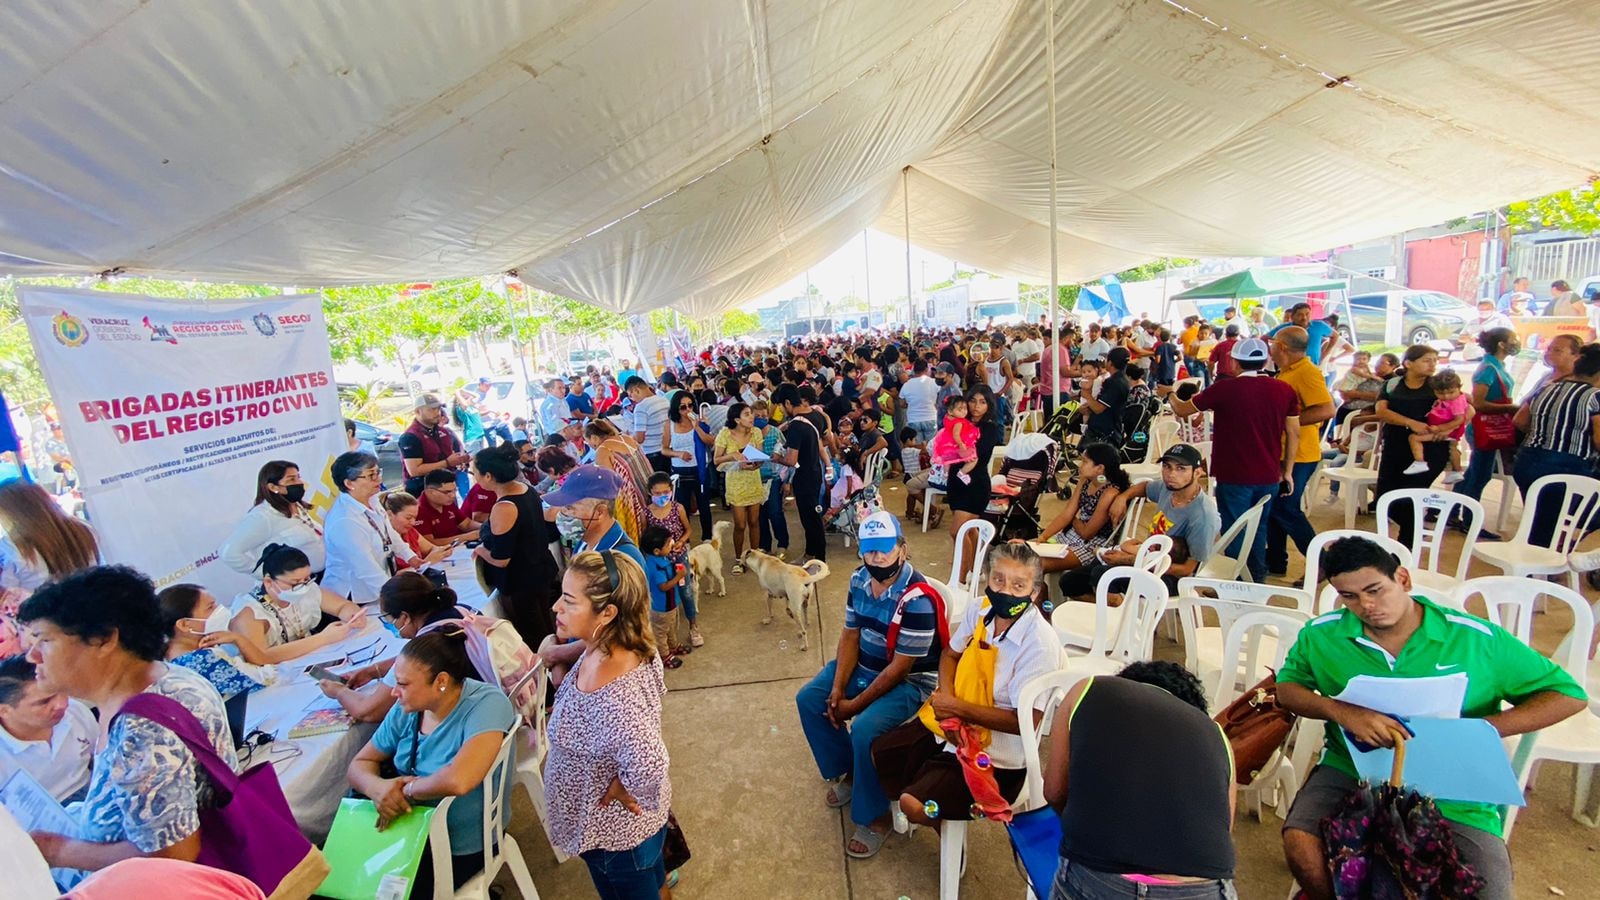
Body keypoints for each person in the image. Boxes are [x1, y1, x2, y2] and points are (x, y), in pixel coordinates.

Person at [1277, 536, 1588, 900]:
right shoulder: (1322, 636)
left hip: (1451, 781)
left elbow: (1569, 695)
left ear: (1403, 579)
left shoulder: (1475, 640)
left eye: (1375, 590)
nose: (1366, 606)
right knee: (1301, 844)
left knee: (1488, 889)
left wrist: (1480, 730)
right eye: (1350, 596)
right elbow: (1287, 689)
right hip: (1354, 769)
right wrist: (1341, 711)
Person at [18, 566, 238, 888]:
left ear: (104, 639)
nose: (33, 656)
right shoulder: (168, 678)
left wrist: (58, 851)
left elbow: (172, 856)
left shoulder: (142, 730)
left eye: (45, 640)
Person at [873, 542, 1059, 835]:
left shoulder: (1038, 644)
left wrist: (956, 708)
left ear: (1034, 593)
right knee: (882, 750)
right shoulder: (980, 609)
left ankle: (943, 831)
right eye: (998, 579)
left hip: (997, 756)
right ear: (987, 578)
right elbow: (950, 654)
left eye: (1018, 585)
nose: (1005, 591)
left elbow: (1024, 722)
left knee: (914, 804)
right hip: (952, 726)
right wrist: (948, 705)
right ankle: (930, 793)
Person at [796, 512, 944, 858]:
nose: (877, 558)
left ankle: (876, 816)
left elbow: (899, 670)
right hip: (867, 663)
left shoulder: (918, 600)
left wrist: (853, 705)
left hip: (910, 682)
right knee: (810, 699)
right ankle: (851, 770)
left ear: (902, 549)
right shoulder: (859, 578)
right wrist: (837, 688)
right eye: (870, 550)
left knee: (864, 727)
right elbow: (851, 634)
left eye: (885, 549)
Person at [1043, 660, 1237, 900]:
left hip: (1102, 878)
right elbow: (1223, 830)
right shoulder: (1219, 737)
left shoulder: (1089, 688)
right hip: (1204, 889)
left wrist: (1088, 829)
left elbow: (1054, 792)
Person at [543, 550, 673, 898]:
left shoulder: (615, 696)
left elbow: (649, 763)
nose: (556, 607)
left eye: (569, 601)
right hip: (629, 834)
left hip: (617, 843)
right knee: (657, 883)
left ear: (607, 613)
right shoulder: (619, 644)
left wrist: (623, 786)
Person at [347, 631, 515, 894]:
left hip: (458, 847)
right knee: (333, 879)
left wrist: (403, 792)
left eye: (403, 684)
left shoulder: (487, 705)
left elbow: (459, 780)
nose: (394, 692)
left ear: (441, 682)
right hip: (410, 831)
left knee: (369, 891)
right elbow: (361, 762)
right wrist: (377, 789)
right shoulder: (408, 709)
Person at [1172, 338, 1299, 582]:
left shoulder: (1224, 389)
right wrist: (1288, 471)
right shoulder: (1284, 389)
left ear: (1234, 362)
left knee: (1234, 530)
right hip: (1269, 474)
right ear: (1265, 361)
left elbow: (1182, 409)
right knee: (1258, 527)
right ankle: (1256, 578)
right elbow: (1294, 432)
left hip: (1234, 473)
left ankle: (1239, 582)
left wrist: (1169, 394)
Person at [320, 571, 470, 723]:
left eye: (387, 619)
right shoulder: (461, 611)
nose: (388, 626)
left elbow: (368, 711)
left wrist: (339, 692)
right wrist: (373, 671)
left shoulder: (426, 647)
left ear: (404, 617)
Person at [469, 444, 560, 649]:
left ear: (488, 476)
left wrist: (481, 550)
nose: (474, 478)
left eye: (475, 473)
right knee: (547, 629)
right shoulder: (525, 489)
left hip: (522, 582)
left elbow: (501, 559)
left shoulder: (504, 507)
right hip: (540, 569)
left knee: (535, 638)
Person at [1511, 340, 1600, 547]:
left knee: (1537, 520)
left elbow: (1520, 421)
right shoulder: (1594, 397)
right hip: (1565, 466)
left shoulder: (1547, 388)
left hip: (1527, 461)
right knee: (1553, 524)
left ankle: (1535, 555)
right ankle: (1542, 561)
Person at [0, 481, 99, 657]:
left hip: (44, 629)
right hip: (90, 617)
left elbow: (9, 594)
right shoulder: (82, 529)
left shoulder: (12, 547)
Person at [1266, 326, 1335, 579]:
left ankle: (1323, 562)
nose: (1271, 348)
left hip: (1301, 454)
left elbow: (1327, 409)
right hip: (1283, 451)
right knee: (1274, 506)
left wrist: (1288, 422)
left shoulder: (1307, 372)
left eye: (1273, 343)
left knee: (1286, 508)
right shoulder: (1287, 371)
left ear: (1282, 347)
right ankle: (1275, 559)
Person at [1372, 345, 1451, 548]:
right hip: (1395, 447)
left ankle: (1406, 549)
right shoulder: (1392, 385)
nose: (1432, 364)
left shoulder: (1439, 385)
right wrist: (1410, 423)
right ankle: (1411, 536)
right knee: (1385, 499)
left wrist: (1447, 429)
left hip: (1428, 451)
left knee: (1411, 499)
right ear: (1408, 363)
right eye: (1426, 360)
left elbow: (1464, 408)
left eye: (1435, 360)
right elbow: (1381, 411)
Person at [231, 544, 364, 662]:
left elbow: (342, 606)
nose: (303, 587)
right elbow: (259, 656)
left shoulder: (307, 588)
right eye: (295, 583)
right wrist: (324, 638)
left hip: (309, 660)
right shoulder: (250, 613)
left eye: (306, 579)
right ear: (269, 582)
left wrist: (353, 616)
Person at [324, 450, 422, 603]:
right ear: (349, 483)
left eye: (378, 472)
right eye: (371, 475)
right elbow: (364, 567)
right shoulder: (344, 520)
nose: (378, 479)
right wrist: (394, 596)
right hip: (354, 595)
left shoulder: (373, 500)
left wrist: (411, 557)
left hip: (379, 586)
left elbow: (389, 534)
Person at [0, 655, 96, 802]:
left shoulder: (75, 712)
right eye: (44, 702)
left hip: (91, 794)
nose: (62, 704)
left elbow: (101, 758)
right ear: (4, 711)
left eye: (61, 691)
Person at [1453, 327, 1520, 533]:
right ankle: (1470, 521)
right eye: (1513, 339)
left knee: (1474, 472)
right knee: (1480, 475)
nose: (1516, 342)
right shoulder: (1488, 369)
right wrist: (1510, 408)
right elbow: (1479, 403)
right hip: (1485, 428)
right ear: (1501, 344)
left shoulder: (1496, 365)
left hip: (1489, 427)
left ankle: (1452, 512)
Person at [156, 584, 276, 697]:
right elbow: (263, 682)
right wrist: (238, 639)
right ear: (185, 624)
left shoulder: (173, 657)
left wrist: (237, 638)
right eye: (210, 607)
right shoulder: (202, 659)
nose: (219, 610)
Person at [218, 460, 324, 576]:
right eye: (291, 479)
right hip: (294, 584)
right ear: (273, 487)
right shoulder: (262, 517)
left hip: (318, 577)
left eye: (298, 477)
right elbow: (228, 553)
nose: (300, 483)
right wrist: (270, 575)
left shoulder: (295, 505)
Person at [1035, 442, 1128, 574]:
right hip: (1072, 535)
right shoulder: (1085, 480)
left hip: (1092, 545)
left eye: (1085, 462)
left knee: (1036, 565)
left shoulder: (1110, 493)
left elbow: (1087, 532)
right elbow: (1066, 515)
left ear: (1099, 468)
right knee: (1026, 555)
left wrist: (1072, 519)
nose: (1080, 465)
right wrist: (1044, 536)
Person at [946, 385, 1003, 584]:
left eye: (982, 402)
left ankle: (960, 581)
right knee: (969, 530)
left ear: (989, 405)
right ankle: (976, 569)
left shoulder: (990, 428)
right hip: (956, 482)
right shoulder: (960, 422)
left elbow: (975, 454)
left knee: (958, 532)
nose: (976, 406)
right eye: (972, 401)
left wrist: (956, 446)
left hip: (975, 485)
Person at [644, 473, 702, 648]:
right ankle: (668, 632)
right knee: (664, 592)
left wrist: (681, 542)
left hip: (678, 558)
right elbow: (644, 538)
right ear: (650, 492)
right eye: (658, 493)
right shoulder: (646, 513)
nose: (663, 496)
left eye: (666, 492)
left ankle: (693, 626)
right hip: (659, 563)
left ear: (671, 490)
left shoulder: (678, 508)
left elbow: (688, 529)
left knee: (685, 591)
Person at [775, 383, 830, 562]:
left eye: (781, 406)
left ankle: (819, 560)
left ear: (788, 403)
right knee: (810, 517)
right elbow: (824, 440)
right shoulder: (816, 415)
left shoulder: (796, 426)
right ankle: (810, 554)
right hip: (815, 471)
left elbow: (791, 460)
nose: (781, 410)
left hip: (804, 476)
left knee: (811, 520)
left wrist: (777, 458)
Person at [714, 402, 769, 571]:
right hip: (735, 484)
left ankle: (755, 556)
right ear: (737, 420)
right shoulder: (725, 434)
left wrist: (755, 464)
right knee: (740, 524)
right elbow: (716, 460)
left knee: (754, 521)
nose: (752, 417)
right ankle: (739, 559)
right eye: (747, 414)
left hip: (753, 481)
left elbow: (760, 458)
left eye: (751, 413)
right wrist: (733, 456)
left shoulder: (756, 432)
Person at [663, 390, 715, 540]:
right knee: (682, 508)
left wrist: (697, 426)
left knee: (704, 505)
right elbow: (664, 449)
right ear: (676, 408)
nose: (688, 410)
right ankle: (684, 540)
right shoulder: (670, 425)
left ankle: (707, 538)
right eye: (683, 407)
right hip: (680, 471)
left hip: (699, 469)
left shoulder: (700, 420)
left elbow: (710, 441)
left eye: (690, 405)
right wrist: (679, 454)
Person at [1402, 369, 1472, 479]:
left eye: (1451, 392)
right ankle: (1456, 471)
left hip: (1446, 430)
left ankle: (1420, 462)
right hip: (1440, 428)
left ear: (1459, 388)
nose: (1446, 396)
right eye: (1440, 393)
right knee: (1452, 449)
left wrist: (1440, 428)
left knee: (1414, 438)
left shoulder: (1456, 402)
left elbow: (1459, 419)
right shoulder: (1453, 398)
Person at [398, 393, 471, 497]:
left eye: (438, 408)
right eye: (432, 409)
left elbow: (449, 456)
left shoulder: (443, 431)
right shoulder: (410, 436)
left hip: (446, 487)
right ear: (418, 411)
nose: (437, 412)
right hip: (423, 491)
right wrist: (447, 463)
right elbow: (414, 471)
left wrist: (460, 460)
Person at [640, 526, 689, 669]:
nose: (671, 544)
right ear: (657, 551)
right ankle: (664, 655)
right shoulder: (655, 566)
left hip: (670, 604)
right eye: (668, 544)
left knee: (671, 627)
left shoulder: (660, 558)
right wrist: (679, 576)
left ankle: (673, 646)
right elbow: (663, 586)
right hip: (662, 607)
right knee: (661, 632)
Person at [379, 491, 457, 567]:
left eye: (415, 518)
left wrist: (443, 551)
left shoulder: (410, 532)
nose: (413, 523)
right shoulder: (382, 541)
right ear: (389, 515)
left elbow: (432, 548)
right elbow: (393, 575)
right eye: (408, 518)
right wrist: (428, 562)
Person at [1079, 346, 1131, 446]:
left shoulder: (1114, 382)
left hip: (1104, 433)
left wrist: (1087, 395)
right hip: (1108, 429)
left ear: (1110, 363)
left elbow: (1098, 408)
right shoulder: (1122, 380)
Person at [412, 470, 478, 543]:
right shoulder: (417, 510)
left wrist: (484, 527)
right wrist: (466, 537)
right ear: (431, 492)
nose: (453, 495)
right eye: (447, 492)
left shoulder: (447, 502)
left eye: (455, 490)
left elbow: (466, 524)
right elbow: (430, 543)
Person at [625, 377, 673, 474]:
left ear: (636, 390)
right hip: (669, 449)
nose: (632, 399)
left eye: (630, 395)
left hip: (653, 454)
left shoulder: (641, 407)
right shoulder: (664, 400)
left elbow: (639, 438)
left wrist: (627, 436)